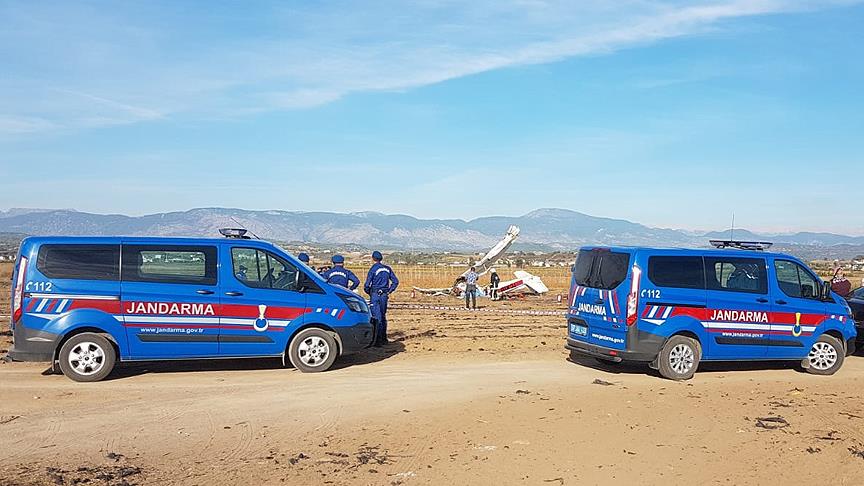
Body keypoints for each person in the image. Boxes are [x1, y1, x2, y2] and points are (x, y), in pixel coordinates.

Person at [364, 251, 399, 346]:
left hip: (375, 294)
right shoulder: (388, 269)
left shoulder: (373, 269)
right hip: (384, 295)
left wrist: (370, 292)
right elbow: (395, 281)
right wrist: (389, 290)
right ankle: (384, 338)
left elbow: (367, 285)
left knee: (376, 317)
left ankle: (377, 340)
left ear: (373, 258)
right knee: (383, 316)